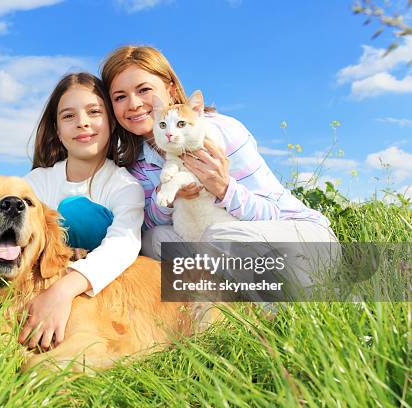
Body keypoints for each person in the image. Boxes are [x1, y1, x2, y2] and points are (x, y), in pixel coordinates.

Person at [100, 45, 339, 296]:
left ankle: (304, 300)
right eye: (120, 97)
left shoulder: (222, 132)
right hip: (224, 248)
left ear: (170, 89)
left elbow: (272, 212)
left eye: (144, 89)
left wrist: (224, 189)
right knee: (154, 239)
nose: (134, 103)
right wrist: (168, 197)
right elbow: (145, 223)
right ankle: (231, 298)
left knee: (221, 236)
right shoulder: (137, 162)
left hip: (298, 238)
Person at [20, 73, 144, 349]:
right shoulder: (35, 184)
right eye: (68, 116)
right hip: (37, 293)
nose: (82, 122)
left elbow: (123, 245)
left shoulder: (124, 187)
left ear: (111, 121)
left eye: (94, 112)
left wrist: (63, 290)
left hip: (101, 302)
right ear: (57, 128)